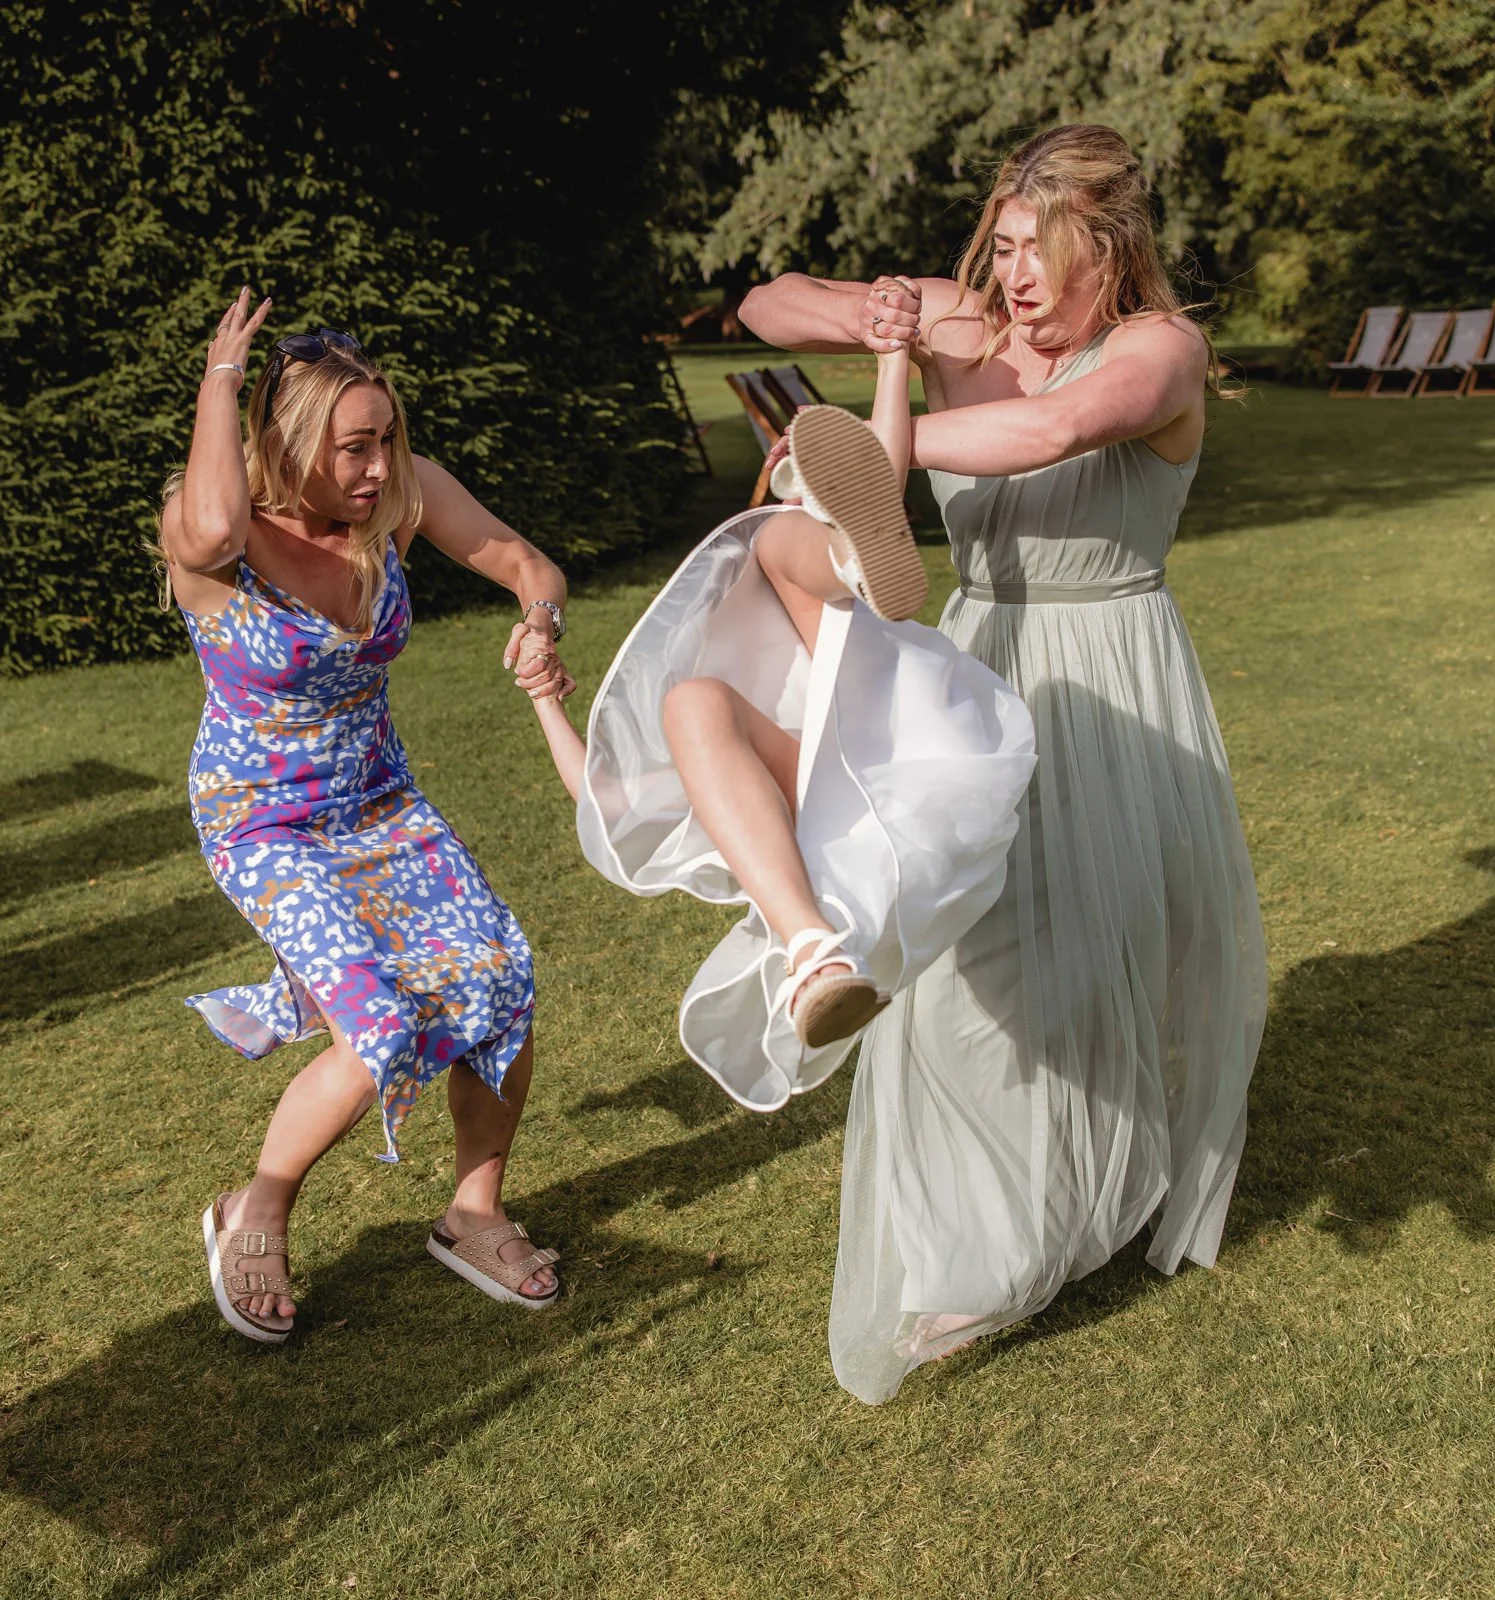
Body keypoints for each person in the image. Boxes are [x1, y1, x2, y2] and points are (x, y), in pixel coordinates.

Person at [738, 122, 1269, 1402]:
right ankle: (982, 1240)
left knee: (1097, 953)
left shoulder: (1161, 352)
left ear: (1108, 246)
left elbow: (1052, 434)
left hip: (1111, 676)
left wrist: (869, 454)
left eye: (1043, 249)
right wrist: (876, 317)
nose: (1015, 274)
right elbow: (764, 304)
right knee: (955, 963)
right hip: (976, 663)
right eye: (1006, 245)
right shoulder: (967, 324)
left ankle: (1066, 1201)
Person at [160, 290, 571, 1343]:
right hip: (267, 824)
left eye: (387, 440)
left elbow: (530, 565)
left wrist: (541, 621)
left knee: (500, 973)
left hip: (383, 805)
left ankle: (472, 1212)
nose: (379, 468)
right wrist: (221, 378)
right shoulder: (219, 543)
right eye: (353, 448)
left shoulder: (395, 501)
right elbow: (208, 520)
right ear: (289, 442)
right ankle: (256, 1202)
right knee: (380, 1022)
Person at [531, 337, 1037, 1130]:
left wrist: (890, 359)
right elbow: (606, 797)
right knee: (718, 651)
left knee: (714, 662)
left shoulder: (749, 674)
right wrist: (543, 702)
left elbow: (609, 797)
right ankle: (840, 549)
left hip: (896, 757)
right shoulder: (735, 740)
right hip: (887, 774)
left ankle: (811, 956)